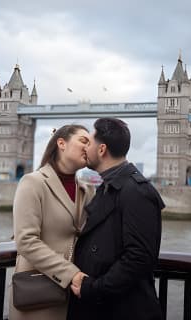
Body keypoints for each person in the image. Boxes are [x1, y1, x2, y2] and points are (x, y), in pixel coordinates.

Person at [67, 118, 165, 320]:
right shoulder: (109, 186)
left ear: (101, 149)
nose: (85, 148)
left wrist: (93, 288)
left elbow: (139, 257)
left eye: (89, 143)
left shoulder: (137, 192)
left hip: (124, 310)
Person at [9, 124, 94, 320]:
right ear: (61, 143)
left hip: (75, 296)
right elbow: (26, 241)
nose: (88, 147)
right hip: (38, 294)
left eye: (91, 144)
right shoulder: (33, 183)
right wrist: (70, 273)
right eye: (83, 141)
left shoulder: (88, 191)